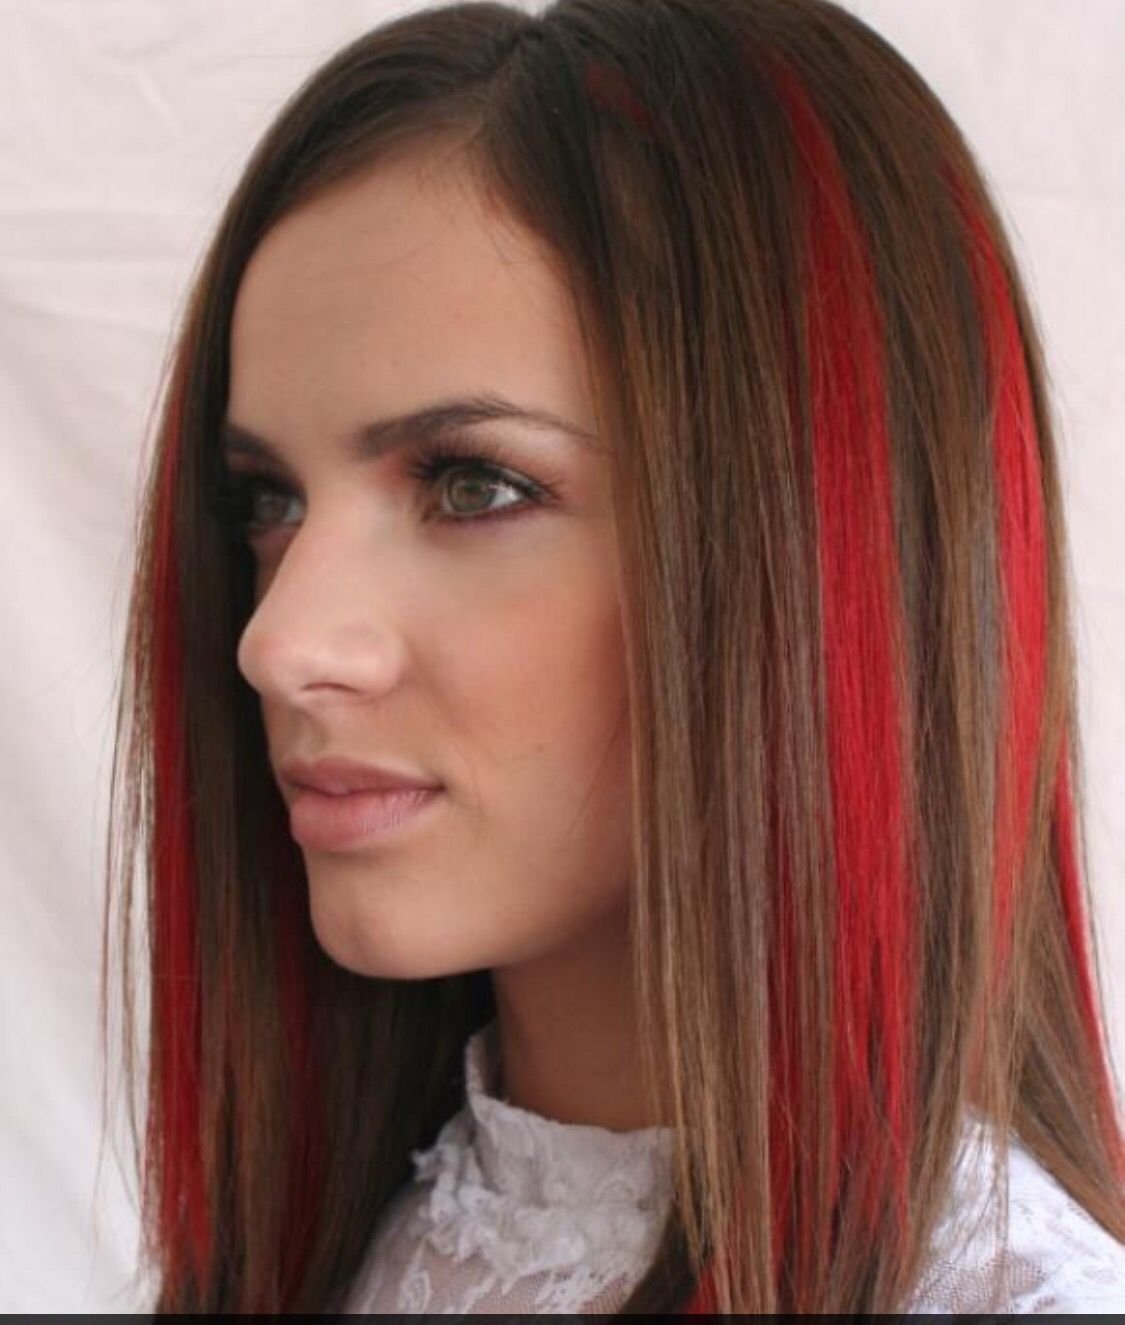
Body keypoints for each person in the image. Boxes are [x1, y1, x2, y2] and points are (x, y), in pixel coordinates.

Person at [102, 0, 1125, 1313]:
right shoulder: (360, 1249)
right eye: (266, 501)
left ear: (816, 549)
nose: (277, 642)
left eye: (473, 485)